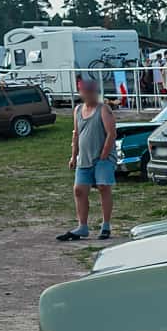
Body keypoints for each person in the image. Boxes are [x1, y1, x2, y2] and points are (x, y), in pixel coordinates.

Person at [59, 76, 118, 240]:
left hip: (102, 158)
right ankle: (82, 226)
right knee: (79, 190)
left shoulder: (103, 109)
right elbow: (76, 134)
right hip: (84, 158)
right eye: (85, 92)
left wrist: (104, 154)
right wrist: (73, 156)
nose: (88, 95)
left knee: (103, 187)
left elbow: (111, 133)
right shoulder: (78, 110)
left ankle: (106, 225)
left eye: (91, 92)